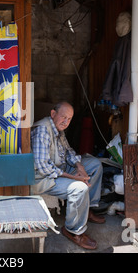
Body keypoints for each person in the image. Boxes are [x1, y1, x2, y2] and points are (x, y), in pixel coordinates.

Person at [31, 102, 104, 250]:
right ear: (53, 114)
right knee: (79, 188)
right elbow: (43, 167)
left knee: (95, 164)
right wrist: (75, 178)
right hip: (44, 179)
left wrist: (79, 167)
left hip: (59, 169)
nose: (66, 122)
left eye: (69, 119)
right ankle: (73, 230)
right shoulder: (43, 130)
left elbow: (69, 150)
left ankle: (87, 209)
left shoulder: (58, 128)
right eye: (63, 117)